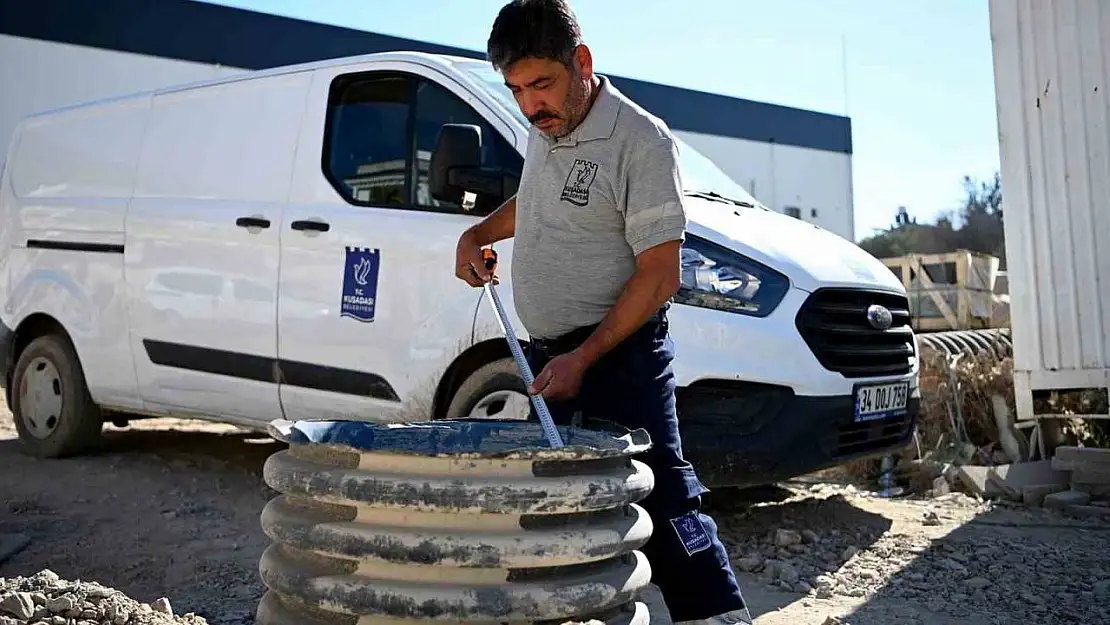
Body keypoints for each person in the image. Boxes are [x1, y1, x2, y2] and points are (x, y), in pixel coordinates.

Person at [453, 1, 751, 623]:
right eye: (516, 90)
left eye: (542, 85)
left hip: (620, 356)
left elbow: (660, 273)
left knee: (663, 500)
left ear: (582, 63)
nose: (531, 105)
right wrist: (480, 230)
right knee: (562, 502)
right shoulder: (548, 128)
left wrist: (585, 357)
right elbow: (536, 201)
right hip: (551, 359)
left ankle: (720, 615)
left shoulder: (641, 142)